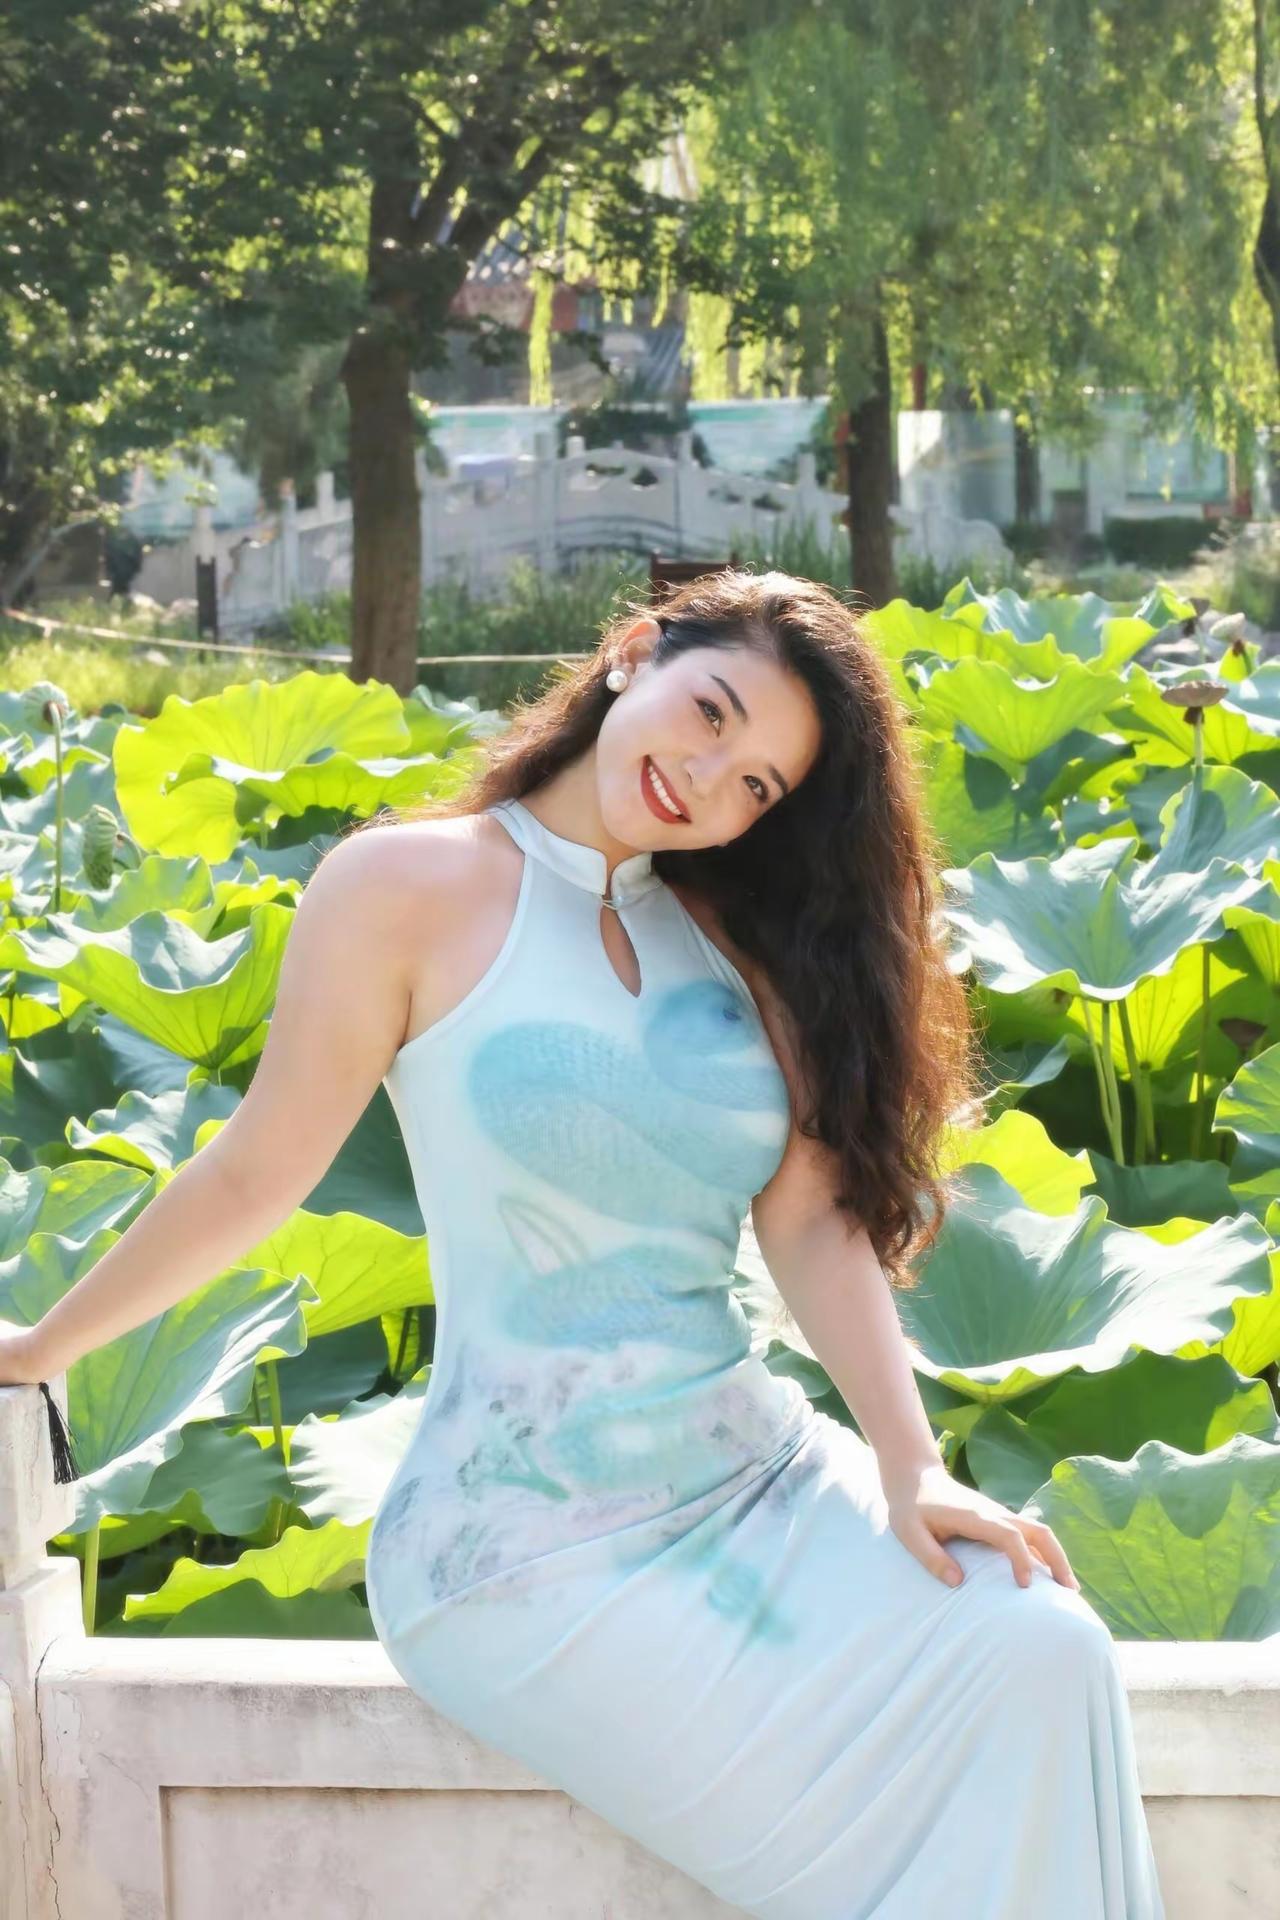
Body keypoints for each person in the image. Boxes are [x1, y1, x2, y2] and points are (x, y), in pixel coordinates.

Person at [0, 570, 1166, 1917]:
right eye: (711, 713)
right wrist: (42, 1347)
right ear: (633, 654)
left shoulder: (739, 943)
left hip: (758, 1480)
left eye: (758, 786)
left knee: (1044, 1650)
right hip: (519, 1545)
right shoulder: (406, 887)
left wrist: (912, 1469)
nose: (709, 779)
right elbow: (260, 1169)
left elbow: (808, 1220)